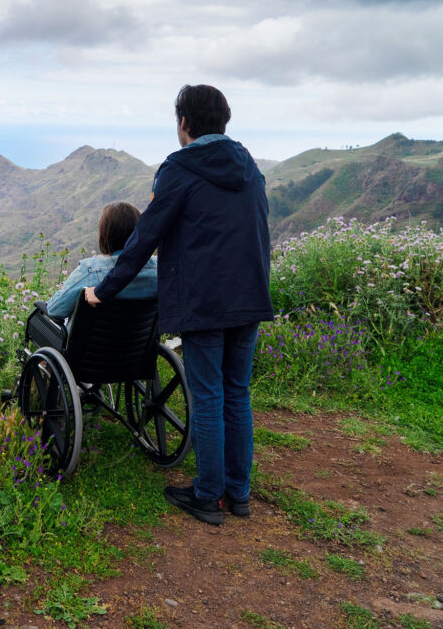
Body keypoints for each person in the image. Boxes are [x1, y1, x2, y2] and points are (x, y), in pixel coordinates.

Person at [84, 84, 273, 525]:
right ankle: (238, 495)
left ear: (184, 123)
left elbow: (142, 238)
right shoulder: (250, 168)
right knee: (237, 394)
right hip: (250, 297)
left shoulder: (180, 170)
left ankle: (209, 496)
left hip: (206, 302)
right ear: (224, 120)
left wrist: (103, 291)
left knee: (207, 398)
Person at [27, 201, 157, 350]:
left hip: (88, 357)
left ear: (106, 235)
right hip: (135, 355)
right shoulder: (158, 270)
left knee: (37, 319)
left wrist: (68, 291)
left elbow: (55, 310)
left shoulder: (91, 271)